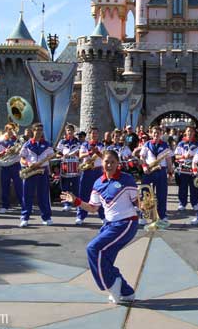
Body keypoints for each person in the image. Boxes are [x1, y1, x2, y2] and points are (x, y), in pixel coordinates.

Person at [60, 150, 139, 303]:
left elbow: (138, 203)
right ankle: (126, 292)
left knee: (93, 248)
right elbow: (93, 208)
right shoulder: (98, 183)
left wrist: (148, 203)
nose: (109, 165)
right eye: (106, 162)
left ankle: (111, 284)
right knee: (105, 259)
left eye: (112, 162)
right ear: (102, 163)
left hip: (126, 223)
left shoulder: (127, 179)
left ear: (118, 164)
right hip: (109, 225)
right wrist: (76, 201)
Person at [19, 122, 54, 227]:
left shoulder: (47, 145)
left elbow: (51, 156)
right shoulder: (27, 144)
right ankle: (25, 217)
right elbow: (22, 158)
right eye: (37, 130)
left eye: (40, 130)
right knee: (27, 195)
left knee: (43, 195)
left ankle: (46, 217)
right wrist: (28, 163)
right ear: (32, 131)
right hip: (30, 171)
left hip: (43, 171)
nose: (39, 132)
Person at [140, 126, 173, 224]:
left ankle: (162, 216)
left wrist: (170, 173)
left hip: (161, 171)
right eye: (154, 133)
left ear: (161, 134)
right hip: (149, 170)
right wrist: (144, 167)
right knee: (146, 194)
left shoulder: (165, 146)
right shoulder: (146, 144)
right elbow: (142, 157)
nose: (156, 134)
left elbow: (169, 160)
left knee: (162, 195)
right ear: (151, 133)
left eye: (158, 133)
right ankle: (144, 215)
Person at [76, 127, 105, 225]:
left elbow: (104, 157)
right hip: (87, 170)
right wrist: (89, 153)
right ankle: (81, 216)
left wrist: (97, 152)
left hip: (98, 171)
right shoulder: (85, 144)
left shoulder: (101, 145)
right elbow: (80, 155)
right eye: (93, 133)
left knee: (100, 193)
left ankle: (103, 216)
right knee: (84, 194)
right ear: (90, 134)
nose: (94, 135)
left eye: (96, 133)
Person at [0, 123, 24, 213]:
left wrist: (18, 151)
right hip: (5, 166)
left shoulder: (19, 140)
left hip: (16, 165)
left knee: (19, 186)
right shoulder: (1, 141)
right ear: (6, 130)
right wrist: (5, 151)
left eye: (14, 129)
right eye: (10, 129)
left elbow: (24, 153)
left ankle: (24, 205)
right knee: (5, 186)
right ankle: (5, 206)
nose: (12, 131)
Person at [56, 124, 82, 212]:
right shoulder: (62, 142)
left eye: (71, 130)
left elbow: (82, 153)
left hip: (75, 167)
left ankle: (77, 203)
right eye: (68, 130)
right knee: (65, 187)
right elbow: (57, 153)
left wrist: (77, 154)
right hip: (65, 167)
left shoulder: (78, 142)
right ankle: (67, 204)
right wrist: (61, 156)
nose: (70, 132)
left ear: (74, 132)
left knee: (76, 187)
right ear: (66, 132)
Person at [174, 126, 198, 211]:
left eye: (191, 131)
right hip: (183, 169)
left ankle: (195, 203)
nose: (190, 133)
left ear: (194, 133)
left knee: (194, 187)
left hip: (193, 169)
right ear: (185, 132)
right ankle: (182, 203)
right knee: (182, 187)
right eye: (188, 131)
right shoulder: (181, 144)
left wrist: (193, 157)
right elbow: (176, 156)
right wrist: (184, 156)